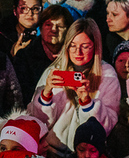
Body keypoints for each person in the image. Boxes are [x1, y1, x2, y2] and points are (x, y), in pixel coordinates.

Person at [28, 19, 121, 151]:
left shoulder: (107, 76)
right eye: (72, 45)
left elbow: (107, 126)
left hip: (88, 154)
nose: (78, 52)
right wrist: (45, 95)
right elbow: (38, 122)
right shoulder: (54, 72)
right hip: (53, 150)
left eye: (85, 46)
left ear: (95, 46)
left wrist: (87, 102)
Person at [13, 4, 73, 94]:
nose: (54, 30)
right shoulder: (24, 56)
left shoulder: (75, 56)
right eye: (48, 25)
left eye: (60, 26)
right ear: (40, 28)